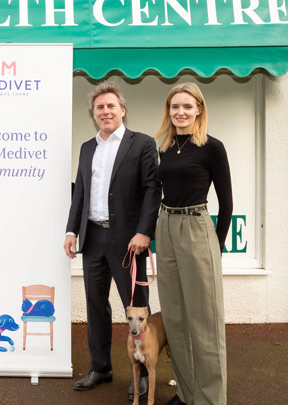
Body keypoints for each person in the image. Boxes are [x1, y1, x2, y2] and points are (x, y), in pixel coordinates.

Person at [64, 83, 161, 399]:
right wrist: (71, 231)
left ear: (122, 110)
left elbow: (152, 190)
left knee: (137, 308)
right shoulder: (87, 148)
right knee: (95, 305)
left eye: (110, 106)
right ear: (93, 114)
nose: (105, 111)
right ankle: (101, 367)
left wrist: (144, 232)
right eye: (99, 108)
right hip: (92, 238)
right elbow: (80, 192)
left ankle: (143, 374)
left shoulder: (142, 144)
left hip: (129, 242)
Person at [155, 83, 232, 405]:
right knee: (175, 316)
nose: (181, 112)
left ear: (199, 109)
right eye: (175, 107)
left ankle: (210, 398)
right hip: (166, 226)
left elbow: (226, 203)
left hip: (196, 227)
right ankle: (186, 393)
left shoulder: (212, 147)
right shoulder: (164, 147)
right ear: (168, 111)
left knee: (204, 319)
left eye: (187, 106)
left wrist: (216, 246)